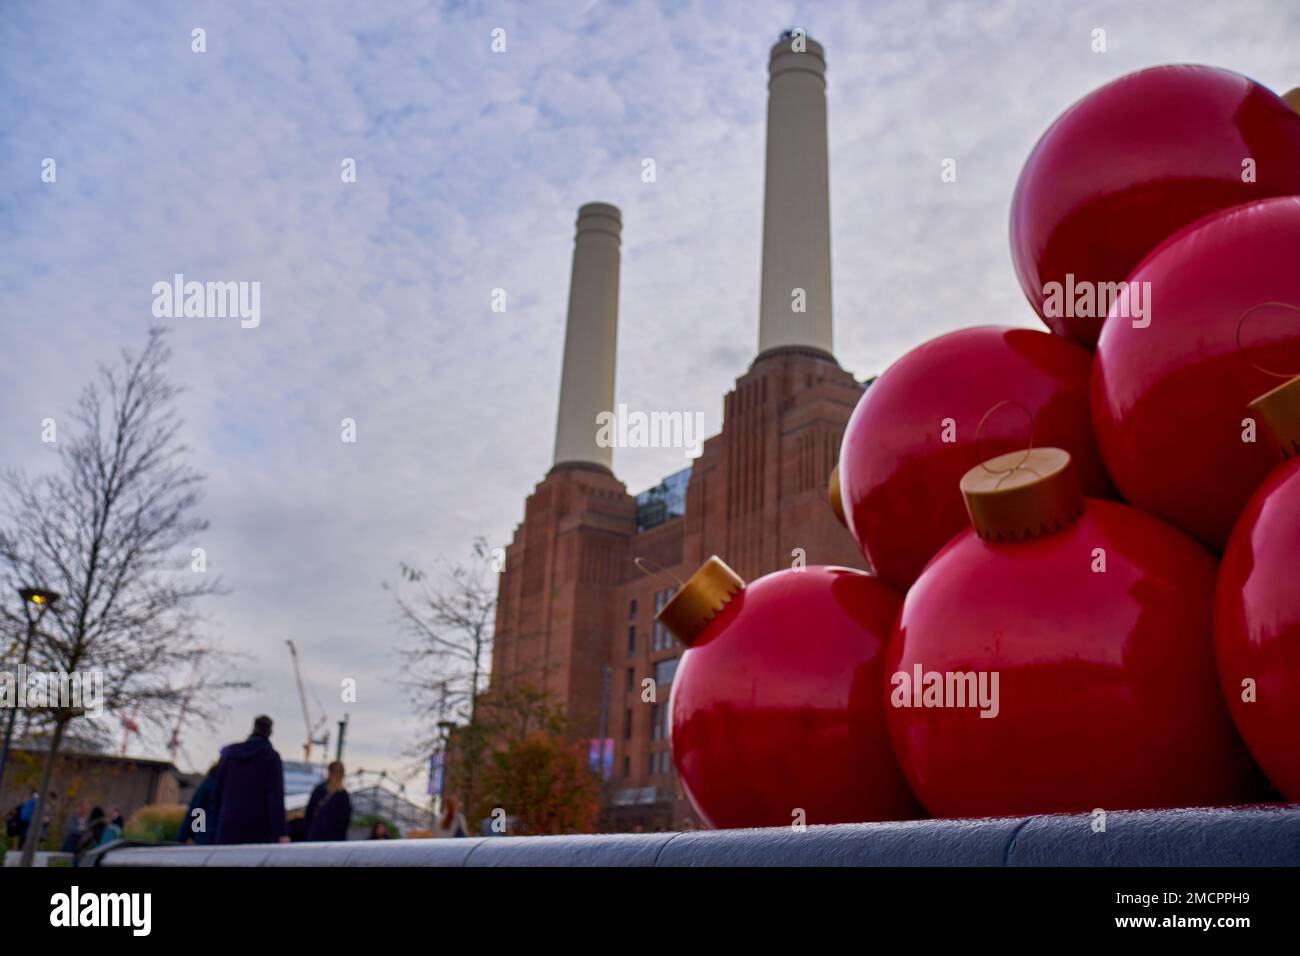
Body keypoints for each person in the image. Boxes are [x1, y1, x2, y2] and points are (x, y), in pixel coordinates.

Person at [210, 715, 288, 845]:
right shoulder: (271, 757)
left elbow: (216, 793)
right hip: (258, 828)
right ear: (270, 732)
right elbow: (276, 797)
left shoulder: (230, 754)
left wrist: (208, 827)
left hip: (228, 824)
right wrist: (281, 832)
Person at [303, 761, 352, 842]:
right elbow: (344, 822)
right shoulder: (343, 795)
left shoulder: (319, 789)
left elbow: (309, 812)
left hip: (316, 834)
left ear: (329, 772)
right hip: (334, 838)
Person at [178, 763, 219, 844]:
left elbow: (198, 808)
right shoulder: (213, 781)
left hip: (206, 838)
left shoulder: (211, 780)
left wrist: (196, 835)